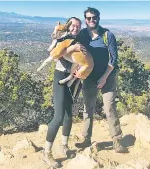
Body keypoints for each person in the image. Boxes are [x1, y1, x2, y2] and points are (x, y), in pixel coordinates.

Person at [67, 7, 127, 153]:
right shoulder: (82, 35)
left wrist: (104, 78)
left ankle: (117, 140)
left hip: (108, 77)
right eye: (88, 18)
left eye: (94, 18)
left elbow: (113, 59)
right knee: (88, 109)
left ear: (98, 18)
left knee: (110, 108)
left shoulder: (107, 35)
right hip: (89, 78)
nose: (91, 20)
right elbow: (72, 49)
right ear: (85, 20)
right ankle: (86, 139)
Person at [43, 17, 82, 168]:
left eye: (78, 26)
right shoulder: (62, 38)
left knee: (68, 115)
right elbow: (52, 54)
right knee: (58, 117)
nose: (75, 28)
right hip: (60, 77)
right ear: (68, 26)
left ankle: (64, 146)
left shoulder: (80, 39)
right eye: (72, 25)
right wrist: (70, 48)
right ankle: (46, 153)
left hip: (73, 80)